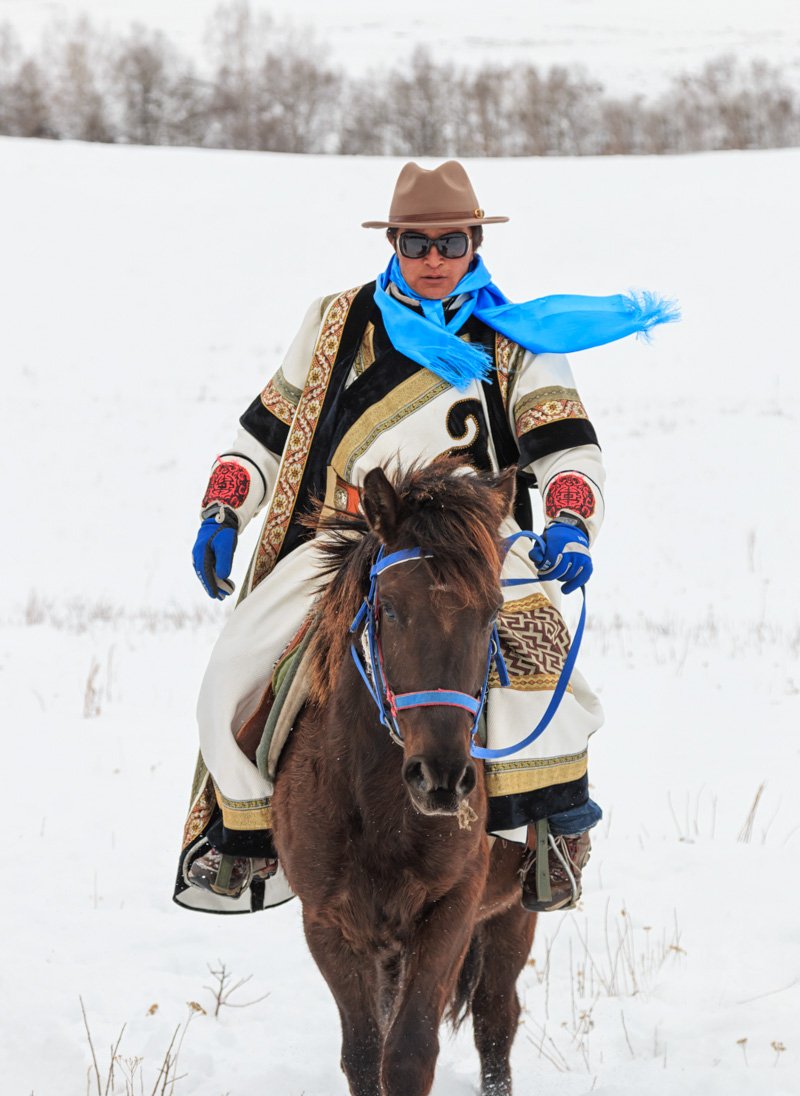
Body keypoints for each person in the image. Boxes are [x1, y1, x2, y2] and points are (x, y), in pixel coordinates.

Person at [174, 160, 676, 916]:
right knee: (231, 677)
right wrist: (224, 508)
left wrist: (571, 522)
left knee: (546, 679)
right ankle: (246, 838)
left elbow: (568, 448)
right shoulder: (336, 321)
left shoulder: (517, 338)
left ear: (475, 244)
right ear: (394, 245)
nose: (434, 260)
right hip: (358, 534)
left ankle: (551, 835)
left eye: (452, 243)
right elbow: (266, 433)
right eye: (417, 243)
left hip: (481, 541)